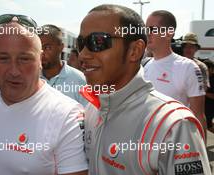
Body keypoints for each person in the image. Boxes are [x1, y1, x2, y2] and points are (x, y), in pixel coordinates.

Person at [78, 4, 211, 174]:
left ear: (135, 51)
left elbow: (199, 111)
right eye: (81, 42)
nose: (83, 54)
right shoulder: (92, 109)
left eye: (98, 42)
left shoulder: (175, 126)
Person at [0, 14, 88, 175]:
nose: (14, 71)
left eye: (24, 59)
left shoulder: (68, 115)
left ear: (40, 59)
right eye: (3, 58)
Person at [144, 10, 207, 134]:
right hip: (147, 143)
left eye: (152, 29)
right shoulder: (145, 65)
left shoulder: (188, 67)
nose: (147, 34)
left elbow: (198, 116)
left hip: (175, 146)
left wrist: (200, 151)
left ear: (169, 33)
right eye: (146, 29)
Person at [39, 25, 88, 106]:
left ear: (61, 47)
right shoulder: (30, 79)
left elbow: (89, 116)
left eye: (47, 47)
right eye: (39, 48)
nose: (42, 53)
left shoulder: (81, 81)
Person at [203, 59, 214, 133]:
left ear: (211, 69)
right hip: (205, 107)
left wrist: (202, 92)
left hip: (211, 107)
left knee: (208, 126)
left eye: (206, 69)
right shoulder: (204, 78)